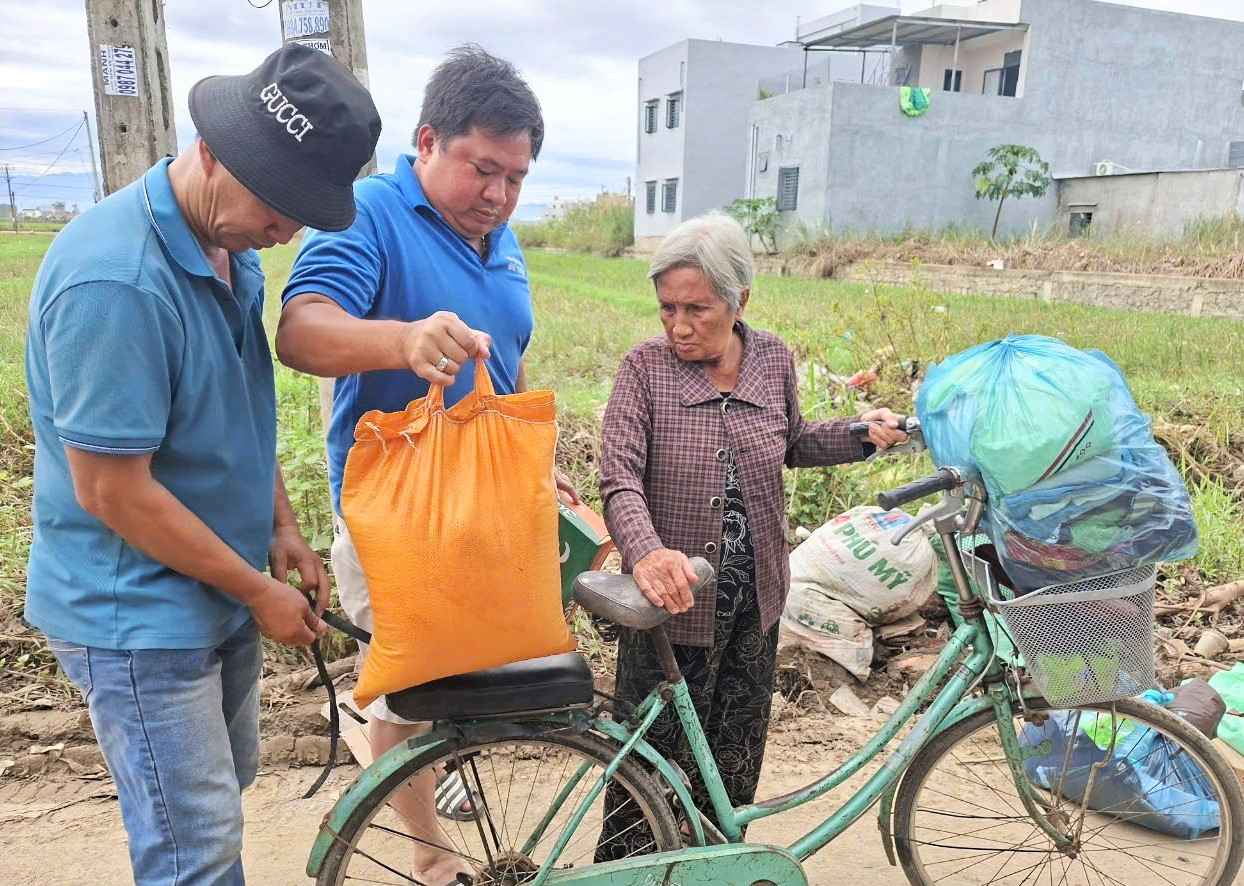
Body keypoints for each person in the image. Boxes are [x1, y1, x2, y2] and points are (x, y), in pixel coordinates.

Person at [23, 44, 380, 884]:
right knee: (195, 845)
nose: (286, 231)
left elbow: (237, 408)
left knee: (221, 798)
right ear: (211, 151)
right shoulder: (115, 282)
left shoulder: (229, 247)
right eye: (279, 206)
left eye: (303, 213)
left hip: (216, 586)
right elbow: (112, 489)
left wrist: (281, 528)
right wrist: (257, 589)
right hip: (139, 613)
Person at [276, 43, 574, 884]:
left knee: (468, 674)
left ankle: (434, 781)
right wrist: (401, 340)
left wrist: (525, 468)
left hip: (484, 506)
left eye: (515, 178)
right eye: (484, 169)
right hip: (397, 514)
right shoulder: (370, 211)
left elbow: (502, 367)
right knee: (406, 692)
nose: (499, 195)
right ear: (428, 140)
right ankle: (432, 859)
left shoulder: (501, 238)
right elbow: (301, 331)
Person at [594, 213, 906, 860]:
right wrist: (646, 553)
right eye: (666, 309)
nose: (678, 325)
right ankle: (628, 875)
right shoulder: (644, 371)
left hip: (753, 608)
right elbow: (619, 478)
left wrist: (858, 434)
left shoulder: (771, 360)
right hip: (672, 608)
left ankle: (711, 869)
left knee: (731, 768)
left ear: (741, 302)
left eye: (697, 309)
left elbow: (792, 442)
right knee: (647, 775)